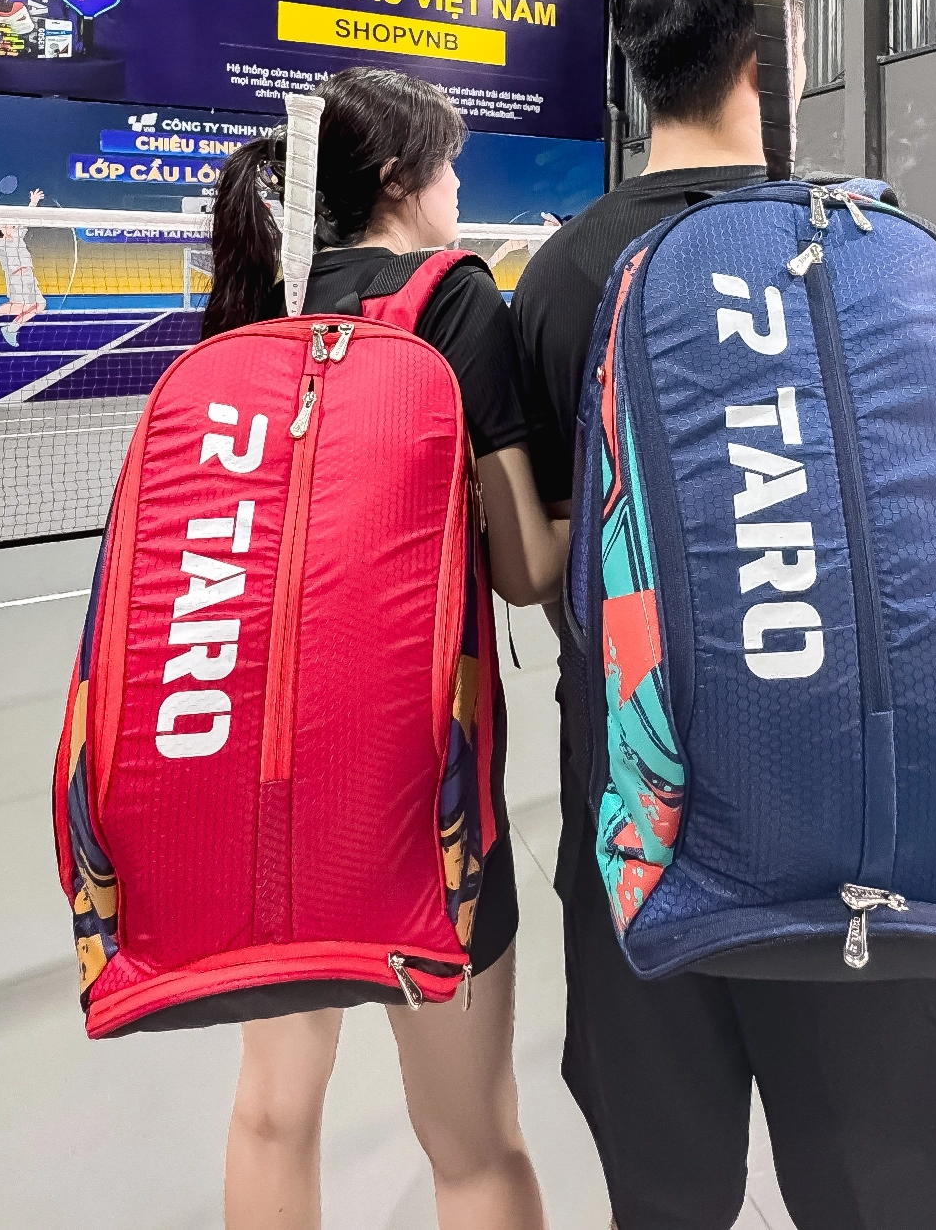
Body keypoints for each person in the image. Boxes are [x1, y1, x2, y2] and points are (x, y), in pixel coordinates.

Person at [511, 0, 936, 1230]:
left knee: (667, 1194)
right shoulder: (871, 253)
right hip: (864, 829)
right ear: (766, 57)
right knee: (904, 1194)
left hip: (642, 828)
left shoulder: (561, 275)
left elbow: (551, 564)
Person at [203, 66, 566, 1230]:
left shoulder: (258, 303)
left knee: (270, 1115)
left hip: (258, 772)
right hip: (421, 795)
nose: (460, 190)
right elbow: (523, 569)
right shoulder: (457, 302)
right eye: (451, 167)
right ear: (403, 179)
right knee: (472, 1150)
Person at [0, 187, 47, 345]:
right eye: (3, 225)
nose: (7, 227)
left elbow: (27, 219)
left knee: (38, 305)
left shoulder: (19, 235)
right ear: (0, 228)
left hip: (29, 276)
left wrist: (33, 202)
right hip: (17, 278)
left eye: (9, 224)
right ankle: (7, 327)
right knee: (23, 305)